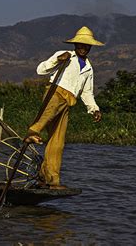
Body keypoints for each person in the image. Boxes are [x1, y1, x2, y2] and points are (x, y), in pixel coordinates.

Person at [25, 26, 103, 189]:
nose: (83, 48)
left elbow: (87, 92)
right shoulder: (65, 55)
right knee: (47, 114)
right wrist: (58, 59)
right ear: (75, 45)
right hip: (55, 93)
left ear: (90, 47)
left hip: (68, 101)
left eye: (86, 46)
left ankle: (51, 178)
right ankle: (32, 132)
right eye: (80, 45)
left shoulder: (89, 68)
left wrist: (94, 109)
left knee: (58, 142)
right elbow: (41, 70)